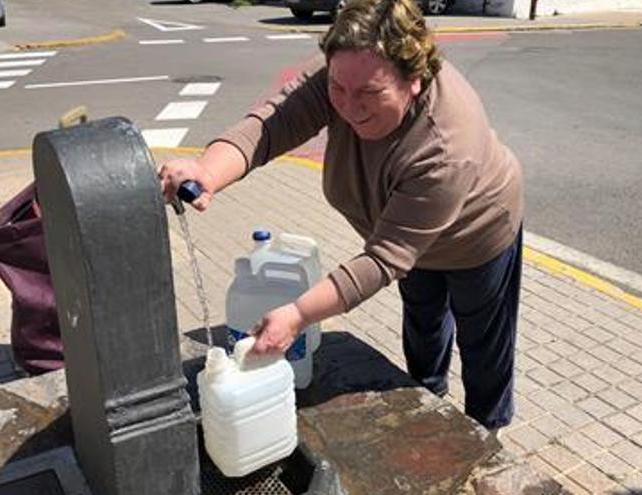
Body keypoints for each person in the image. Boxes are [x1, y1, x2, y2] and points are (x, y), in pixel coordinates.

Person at [159, 0, 523, 431]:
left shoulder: (446, 147)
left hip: (477, 235)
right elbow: (272, 124)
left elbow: (383, 260)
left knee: (483, 343)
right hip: (406, 236)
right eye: (338, 90)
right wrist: (207, 171)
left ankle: (488, 435)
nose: (348, 107)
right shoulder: (351, 65)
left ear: (415, 81)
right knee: (423, 321)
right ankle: (429, 402)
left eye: (370, 93)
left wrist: (297, 314)